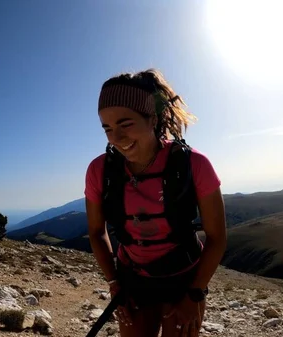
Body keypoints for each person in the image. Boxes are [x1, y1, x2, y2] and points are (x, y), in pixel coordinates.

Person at [85, 68, 227, 337]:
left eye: (126, 124)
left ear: (153, 118)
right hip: (131, 278)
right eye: (107, 128)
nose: (116, 138)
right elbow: (95, 231)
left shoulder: (194, 165)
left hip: (185, 278)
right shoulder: (99, 171)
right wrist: (115, 283)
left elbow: (217, 238)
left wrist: (195, 294)